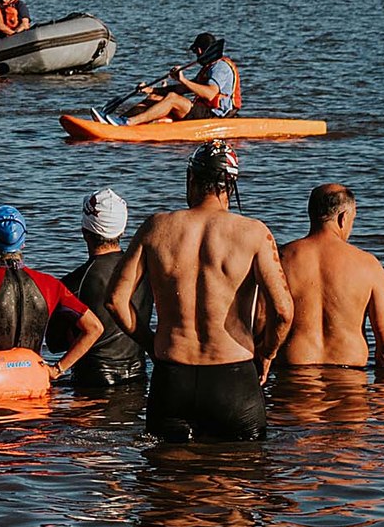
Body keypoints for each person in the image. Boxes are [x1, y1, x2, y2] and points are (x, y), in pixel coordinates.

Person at [106, 141, 295, 441]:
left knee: (165, 479)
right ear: (230, 185)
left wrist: (151, 343)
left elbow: (115, 301)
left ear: (191, 179)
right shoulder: (254, 233)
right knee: (240, 477)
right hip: (233, 376)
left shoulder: (157, 227)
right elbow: (283, 311)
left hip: (172, 376)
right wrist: (268, 353)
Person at [0, 204, 104, 384]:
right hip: (34, 384)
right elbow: (94, 328)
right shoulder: (50, 285)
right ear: (23, 242)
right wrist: (57, 369)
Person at [278, 184, 384, 375]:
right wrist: (383, 390)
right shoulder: (368, 265)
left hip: (293, 375)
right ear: (343, 218)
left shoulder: (281, 259)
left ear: (311, 213)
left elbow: (260, 322)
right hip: (350, 376)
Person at [60, 188, 151, 392]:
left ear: (84, 232)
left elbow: (55, 342)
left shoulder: (75, 282)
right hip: (138, 376)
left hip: (94, 381)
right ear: (122, 231)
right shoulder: (145, 272)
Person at [107, 33, 241, 127]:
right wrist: (151, 89)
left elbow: (210, 93)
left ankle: (130, 122)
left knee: (172, 98)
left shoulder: (220, 67)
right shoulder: (208, 67)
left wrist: (183, 79)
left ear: (200, 51)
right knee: (154, 97)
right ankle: (119, 121)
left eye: (195, 52)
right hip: (202, 110)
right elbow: (181, 89)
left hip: (215, 115)